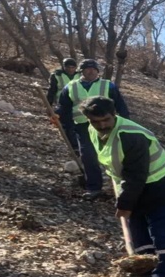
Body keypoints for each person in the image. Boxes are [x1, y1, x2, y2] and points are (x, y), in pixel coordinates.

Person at [79, 97, 165, 277]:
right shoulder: (94, 130)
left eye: (106, 120)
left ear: (114, 114)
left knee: (162, 233)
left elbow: (136, 174)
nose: (102, 125)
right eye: (96, 121)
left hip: (162, 187)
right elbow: (116, 164)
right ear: (89, 120)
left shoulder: (131, 135)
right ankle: (144, 266)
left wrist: (125, 204)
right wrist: (123, 195)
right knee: (138, 231)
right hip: (135, 188)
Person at [55, 59, 130, 200]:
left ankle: (123, 186)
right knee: (88, 156)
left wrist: (126, 123)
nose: (91, 71)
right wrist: (57, 115)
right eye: (87, 68)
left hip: (107, 126)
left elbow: (120, 105)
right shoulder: (71, 87)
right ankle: (94, 187)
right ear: (81, 71)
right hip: (83, 126)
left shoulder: (108, 85)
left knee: (114, 155)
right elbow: (63, 107)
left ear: (98, 71)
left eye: (93, 69)